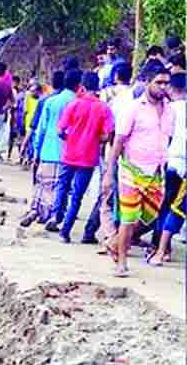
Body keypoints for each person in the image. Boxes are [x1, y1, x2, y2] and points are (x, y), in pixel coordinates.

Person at [102, 65, 176, 277]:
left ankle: (115, 243)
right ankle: (122, 264)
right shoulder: (133, 108)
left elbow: (167, 139)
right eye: (159, 82)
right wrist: (109, 173)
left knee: (148, 218)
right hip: (131, 170)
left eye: (166, 83)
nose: (163, 87)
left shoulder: (170, 112)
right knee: (128, 218)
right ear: (147, 82)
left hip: (156, 172)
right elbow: (118, 141)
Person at [49, 72, 113, 242]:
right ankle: (66, 231)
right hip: (88, 157)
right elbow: (108, 135)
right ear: (98, 87)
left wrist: (69, 138)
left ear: (82, 87)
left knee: (62, 186)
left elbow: (59, 130)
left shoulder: (74, 104)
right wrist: (94, 139)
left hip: (69, 154)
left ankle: (56, 216)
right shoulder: (103, 108)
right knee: (77, 195)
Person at [84, 62, 137, 242]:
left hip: (112, 147)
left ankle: (98, 231)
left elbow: (106, 125)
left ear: (115, 76)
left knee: (108, 193)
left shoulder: (109, 95)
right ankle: (114, 234)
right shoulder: (134, 97)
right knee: (118, 194)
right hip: (130, 152)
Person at [24, 69, 78, 227]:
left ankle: (35, 209)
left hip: (46, 150)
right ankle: (49, 215)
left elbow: (41, 129)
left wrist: (36, 150)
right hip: (65, 152)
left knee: (41, 182)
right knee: (57, 186)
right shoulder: (75, 102)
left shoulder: (49, 101)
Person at [148, 71, 186, 265]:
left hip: (170, 161)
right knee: (177, 208)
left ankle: (159, 247)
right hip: (183, 164)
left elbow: (164, 135)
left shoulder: (168, 110)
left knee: (165, 206)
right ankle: (164, 248)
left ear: (172, 88)